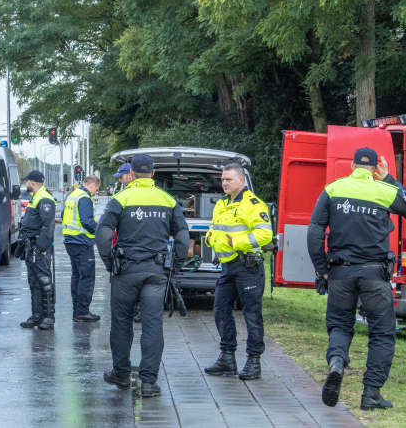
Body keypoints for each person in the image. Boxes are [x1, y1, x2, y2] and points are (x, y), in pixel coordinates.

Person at [308, 148, 406, 410]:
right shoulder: (383, 190)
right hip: (375, 276)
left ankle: (337, 362)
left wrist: (322, 269)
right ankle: (371, 394)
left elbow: (315, 229)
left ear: (352, 166)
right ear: (374, 168)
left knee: (340, 325)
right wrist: (389, 179)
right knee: (382, 333)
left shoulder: (333, 189)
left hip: (340, 273)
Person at [96, 154, 189, 397]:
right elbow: (182, 235)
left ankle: (121, 374)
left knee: (122, 322)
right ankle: (148, 382)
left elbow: (103, 232)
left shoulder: (121, 198)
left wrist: (110, 263)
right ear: (153, 173)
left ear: (132, 173)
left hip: (126, 271)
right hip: (157, 272)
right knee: (152, 324)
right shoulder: (168, 200)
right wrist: (175, 266)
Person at [204, 163, 273, 381]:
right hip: (227, 266)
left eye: (229, 180)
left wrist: (237, 242)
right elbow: (216, 229)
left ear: (241, 181)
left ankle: (254, 361)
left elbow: (265, 235)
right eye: (223, 179)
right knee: (220, 309)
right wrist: (210, 238)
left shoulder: (253, 204)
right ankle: (227, 358)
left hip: (247, 267)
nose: (224, 183)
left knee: (251, 314)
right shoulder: (222, 203)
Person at [15, 170, 57, 330]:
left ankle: (49, 317)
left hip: (39, 246)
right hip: (31, 246)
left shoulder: (45, 198)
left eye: (26, 182)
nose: (25, 184)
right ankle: (37, 316)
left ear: (32, 182)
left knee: (44, 281)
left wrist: (43, 248)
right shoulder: (36, 197)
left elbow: (48, 225)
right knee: (34, 282)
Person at [62, 175, 101, 322]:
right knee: (87, 277)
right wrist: (100, 231)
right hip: (82, 242)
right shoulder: (84, 198)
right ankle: (83, 311)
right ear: (92, 185)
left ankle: (77, 311)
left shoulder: (73, 195)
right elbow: (87, 221)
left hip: (70, 241)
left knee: (77, 276)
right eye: (96, 190)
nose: (96, 193)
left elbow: (63, 215)